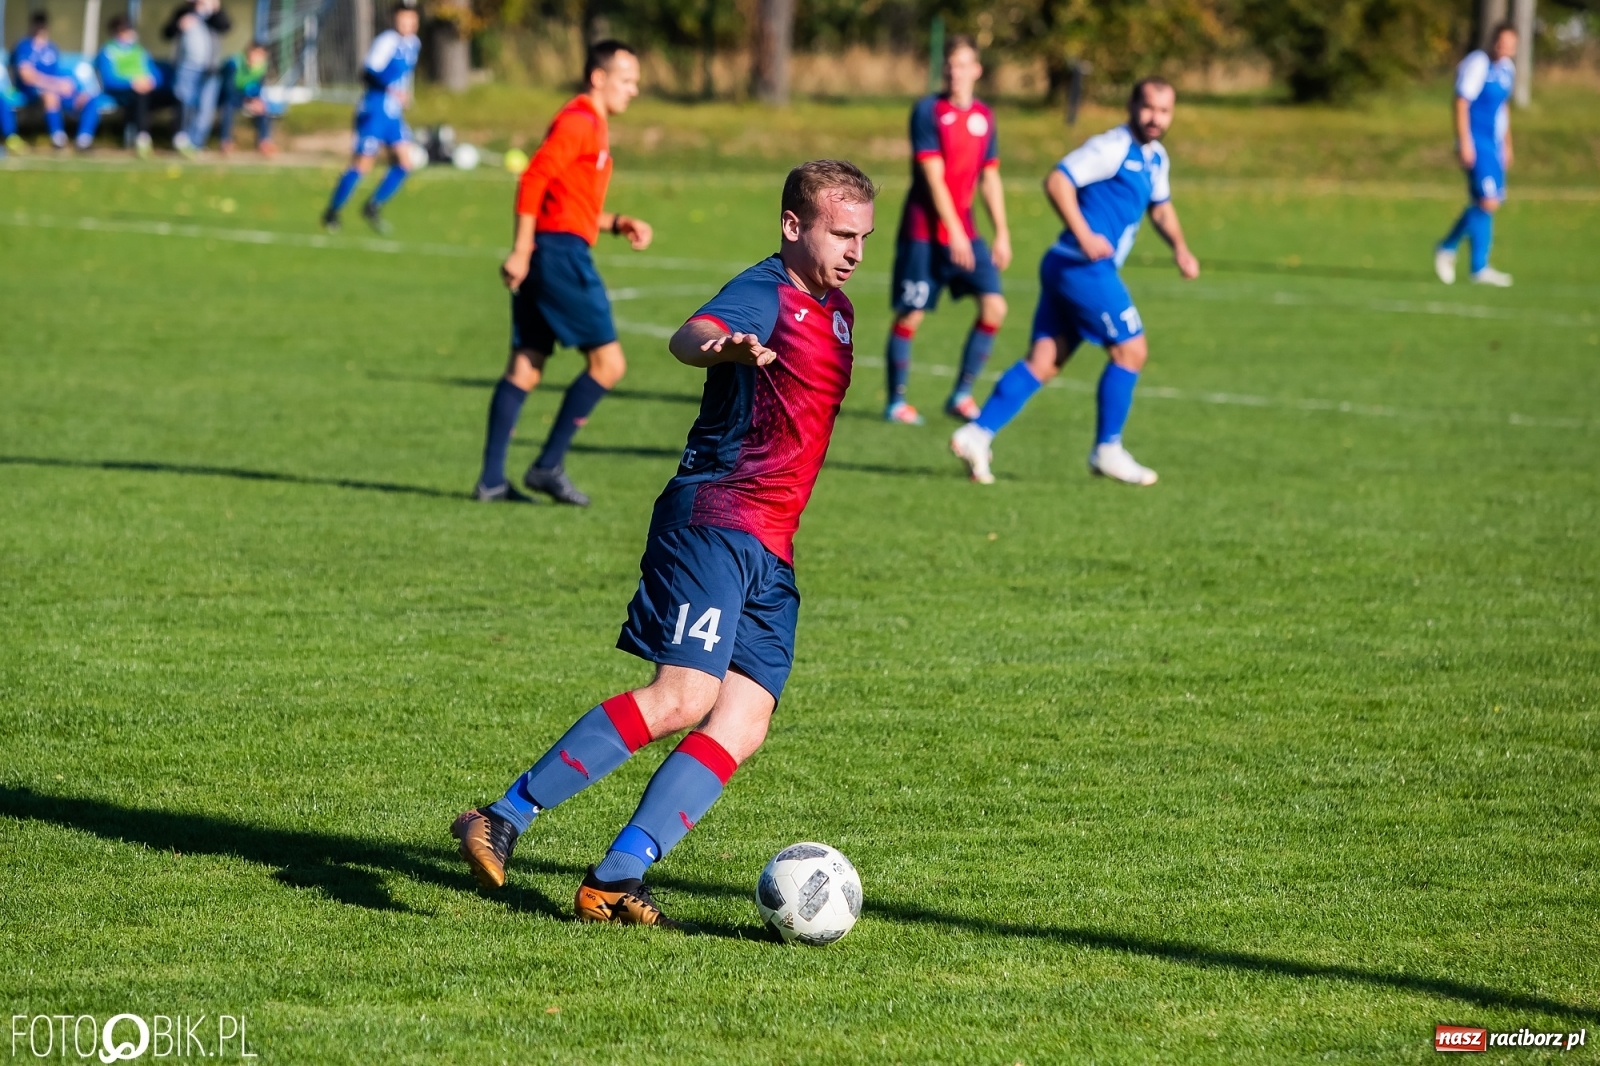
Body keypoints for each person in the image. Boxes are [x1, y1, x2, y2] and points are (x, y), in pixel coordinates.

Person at [452, 160, 877, 928]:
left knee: (743, 720)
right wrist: (724, 348)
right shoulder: (766, 292)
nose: (853, 250)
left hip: (771, 547)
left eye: (863, 237)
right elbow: (692, 334)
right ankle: (501, 815)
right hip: (715, 520)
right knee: (684, 695)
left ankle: (615, 878)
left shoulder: (840, 311)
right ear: (793, 226)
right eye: (840, 233)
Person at [950, 77, 1199, 487]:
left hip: (1069, 267)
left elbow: (1161, 208)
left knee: (1044, 361)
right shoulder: (1112, 147)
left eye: (1164, 111)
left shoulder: (1156, 158)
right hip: (1083, 268)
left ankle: (976, 434)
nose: (1155, 118)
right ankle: (1108, 449)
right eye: (1148, 107)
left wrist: (1181, 249)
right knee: (1131, 350)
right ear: (1131, 106)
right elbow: (1057, 180)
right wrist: (1084, 233)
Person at [471, 39, 654, 507]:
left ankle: (491, 481)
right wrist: (521, 249)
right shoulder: (579, 122)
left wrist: (615, 222)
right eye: (627, 80)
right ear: (598, 77)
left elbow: (566, 204)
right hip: (558, 255)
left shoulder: (591, 123)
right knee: (609, 364)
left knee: (526, 365)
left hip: (552, 246)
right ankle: (547, 466)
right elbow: (533, 177)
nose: (633, 90)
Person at [883, 33, 1011, 425]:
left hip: (965, 232)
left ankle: (961, 395)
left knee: (994, 305)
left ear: (977, 70)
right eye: (950, 66)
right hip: (923, 232)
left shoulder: (985, 117)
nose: (955, 73)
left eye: (963, 65)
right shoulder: (927, 111)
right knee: (912, 314)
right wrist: (953, 231)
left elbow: (990, 177)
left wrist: (1002, 231)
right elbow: (933, 177)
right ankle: (896, 402)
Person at [320, 1, 420, 233]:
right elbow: (367, 74)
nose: (407, 23)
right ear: (395, 20)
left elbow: (404, 76)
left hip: (393, 113)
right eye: (403, 19)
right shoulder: (386, 41)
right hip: (374, 109)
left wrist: (403, 94)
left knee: (405, 162)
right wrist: (391, 89)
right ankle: (332, 211)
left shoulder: (414, 43)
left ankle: (373, 206)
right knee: (363, 164)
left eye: (411, 19)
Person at [1434, 24, 1517, 288]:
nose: (1504, 48)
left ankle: (1479, 267)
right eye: (1501, 41)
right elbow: (1461, 102)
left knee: (1487, 202)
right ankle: (1447, 247)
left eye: (1510, 44)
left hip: (1493, 143)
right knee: (1488, 201)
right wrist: (1464, 142)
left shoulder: (1508, 70)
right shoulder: (1478, 63)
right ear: (1493, 41)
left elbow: (1502, 107)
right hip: (1476, 140)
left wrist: (1507, 144)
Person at [10, 12, 105, 150]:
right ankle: (58, 139)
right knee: (50, 96)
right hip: (32, 91)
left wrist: (69, 86)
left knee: (88, 98)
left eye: (42, 24)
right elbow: (27, 77)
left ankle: (84, 140)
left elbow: (58, 73)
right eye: (37, 24)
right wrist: (54, 85)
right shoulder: (24, 47)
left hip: (56, 87)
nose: (39, 28)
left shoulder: (51, 48)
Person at [163, 0, 231, 153]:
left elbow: (225, 26)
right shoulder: (183, 12)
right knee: (184, 104)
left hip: (210, 69)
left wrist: (214, 9)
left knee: (205, 109)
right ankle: (181, 141)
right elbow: (167, 33)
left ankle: (196, 144)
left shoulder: (214, 14)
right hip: (185, 68)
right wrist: (179, 25)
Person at [95, 14, 158, 157]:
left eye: (129, 30)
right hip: (121, 92)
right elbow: (109, 80)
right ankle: (143, 139)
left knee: (177, 96)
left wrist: (151, 81)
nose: (129, 34)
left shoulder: (139, 50)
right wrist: (132, 82)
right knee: (141, 96)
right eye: (124, 31)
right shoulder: (108, 51)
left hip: (145, 89)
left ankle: (180, 139)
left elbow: (154, 73)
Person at [218, 43, 274, 156]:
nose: (259, 59)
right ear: (250, 52)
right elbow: (228, 88)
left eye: (262, 56)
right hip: (224, 95)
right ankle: (226, 142)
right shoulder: (234, 63)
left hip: (243, 97)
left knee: (262, 107)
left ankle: (264, 142)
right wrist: (246, 101)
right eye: (257, 55)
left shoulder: (260, 67)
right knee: (228, 108)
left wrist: (255, 100)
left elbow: (257, 87)